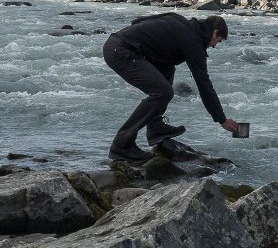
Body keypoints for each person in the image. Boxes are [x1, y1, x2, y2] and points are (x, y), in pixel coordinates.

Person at [103, 12, 240, 163]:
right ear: (214, 32)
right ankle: (121, 144)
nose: (214, 46)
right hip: (121, 51)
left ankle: (155, 128)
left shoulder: (181, 23)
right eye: (218, 41)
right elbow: (203, 83)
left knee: (168, 68)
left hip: (120, 45)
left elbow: (139, 20)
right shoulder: (193, 41)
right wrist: (222, 119)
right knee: (162, 92)